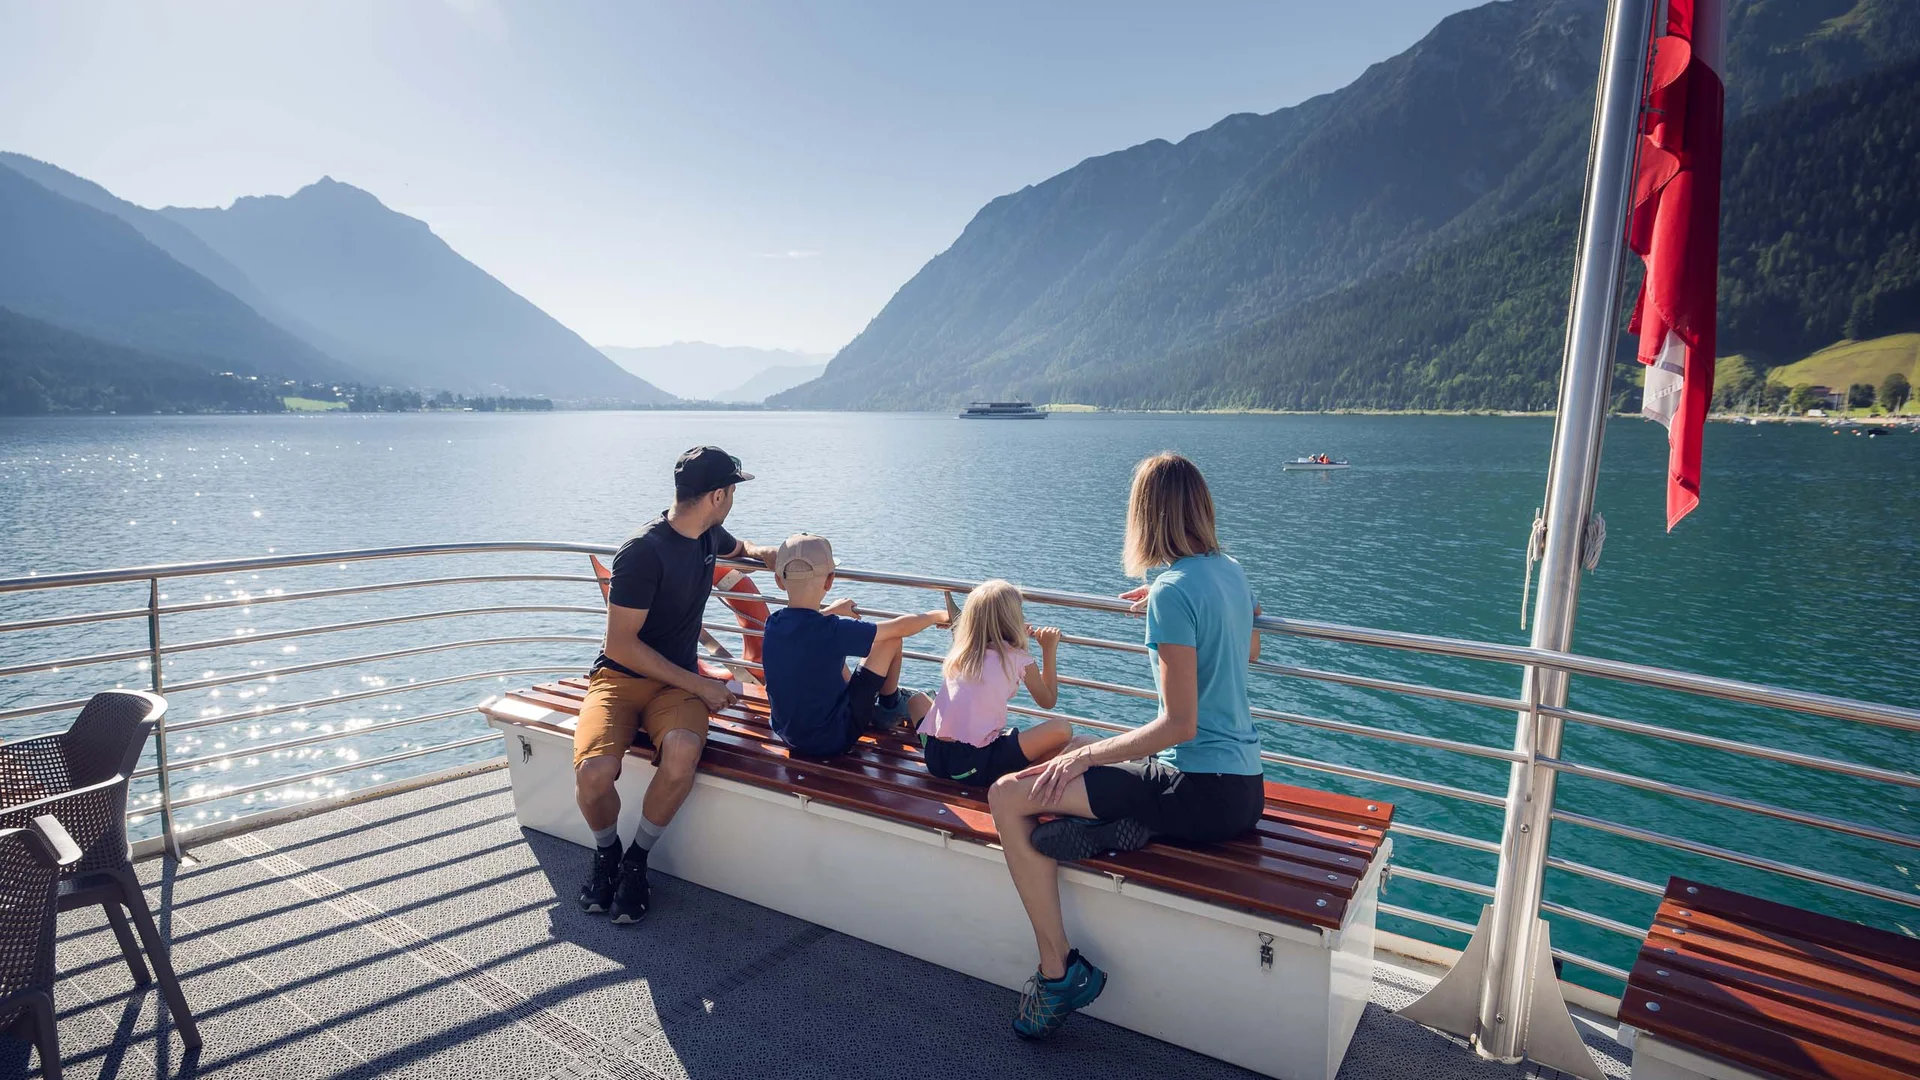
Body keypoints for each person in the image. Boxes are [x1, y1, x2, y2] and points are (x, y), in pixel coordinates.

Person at [987, 452, 1265, 1039]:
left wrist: (1087, 756)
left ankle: (1057, 970)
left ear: (1145, 515)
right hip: (1243, 789)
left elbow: (1180, 726)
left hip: (1196, 790)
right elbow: (1248, 650)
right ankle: (1116, 826)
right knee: (1080, 750)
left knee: (1009, 795)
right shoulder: (1231, 574)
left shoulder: (1173, 593)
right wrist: (1176, 603)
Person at [575, 446, 779, 925]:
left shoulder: (708, 533)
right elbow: (621, 645)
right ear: (718, 495)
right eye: (732, 490)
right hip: (621, 679)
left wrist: (781, 556)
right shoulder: (642, 551)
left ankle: (636, 861)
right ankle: (607, 852)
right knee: (593, 775)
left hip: (674, 689)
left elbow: (743, 551)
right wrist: (701, 685)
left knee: (683, 751)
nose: (732, 498)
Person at [761, 533, 948, 756]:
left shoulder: (773, 623)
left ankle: (885, 704)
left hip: (789, 734)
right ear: (829, 581)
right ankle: (889, 706)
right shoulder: (833, 631)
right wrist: (937, 616)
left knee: (821, 659)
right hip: (833, 739)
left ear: (779, 581)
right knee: (890, 640)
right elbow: (898, 628)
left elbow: (805, 629)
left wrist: (831, 611)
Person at [917, 579, 1074, 788]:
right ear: (1014, 619)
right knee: (1062, 729)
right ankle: (1027, 780)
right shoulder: (1019, 658)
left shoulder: (962, 650)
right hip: (971, 766)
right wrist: (1048, 649)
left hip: (935, 757)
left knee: (917, 700)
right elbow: (1048, 700)